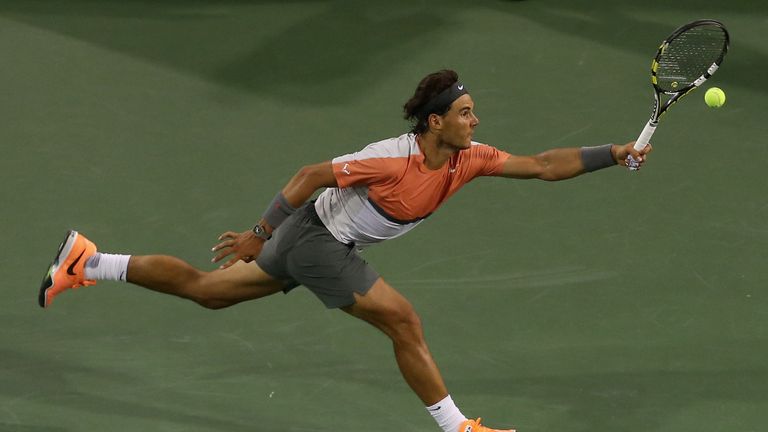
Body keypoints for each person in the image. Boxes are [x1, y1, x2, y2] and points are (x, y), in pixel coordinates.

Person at [38, 69, 650, 432]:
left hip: (310, 240)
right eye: (465, 114)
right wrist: (259, 231)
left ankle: (89, 261)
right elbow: (308, 175)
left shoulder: (469, 159)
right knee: (403, 321)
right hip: (317, 241)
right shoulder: (391, 159)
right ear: (435, 122)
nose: (476, 121)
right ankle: (458, 427)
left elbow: (542, 164)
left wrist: (615, 152)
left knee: (208, 291)